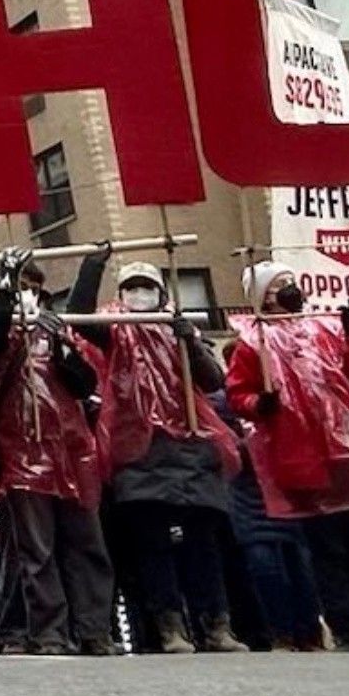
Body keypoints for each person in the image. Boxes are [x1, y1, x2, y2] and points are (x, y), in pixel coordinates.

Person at [225, 262, 349, 652]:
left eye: (291, 282)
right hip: (305, 460)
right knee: (328, 552)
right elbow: (238, 394)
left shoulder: (328, 328)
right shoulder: (255, 343)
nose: (290, 290)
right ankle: (348, 630)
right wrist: (261, 403)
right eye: (279, 287)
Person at [71, 255, 250, 654]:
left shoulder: (178, 328)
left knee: (202, 543)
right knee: (153, 545)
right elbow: (78, 317)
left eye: (146, 287)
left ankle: (215, 625)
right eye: (131, 287)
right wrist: (92, 267)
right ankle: (170, 627)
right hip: (140, 448)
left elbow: (213, 381)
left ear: (161, 293)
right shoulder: (115, 332)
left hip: (189, 443)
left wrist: (190, 342)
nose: (140, 294)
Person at [0, 249, 113, 657]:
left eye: (35, 289)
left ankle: (93, 629)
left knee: (86, 543)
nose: (30, 296)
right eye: (22, 287)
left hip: (70, 451)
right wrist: (5, 295)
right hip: (22, 453)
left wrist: (65, 352)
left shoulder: (55, 333)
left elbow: (84, 382)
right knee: (38, 550)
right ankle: (49, 631)